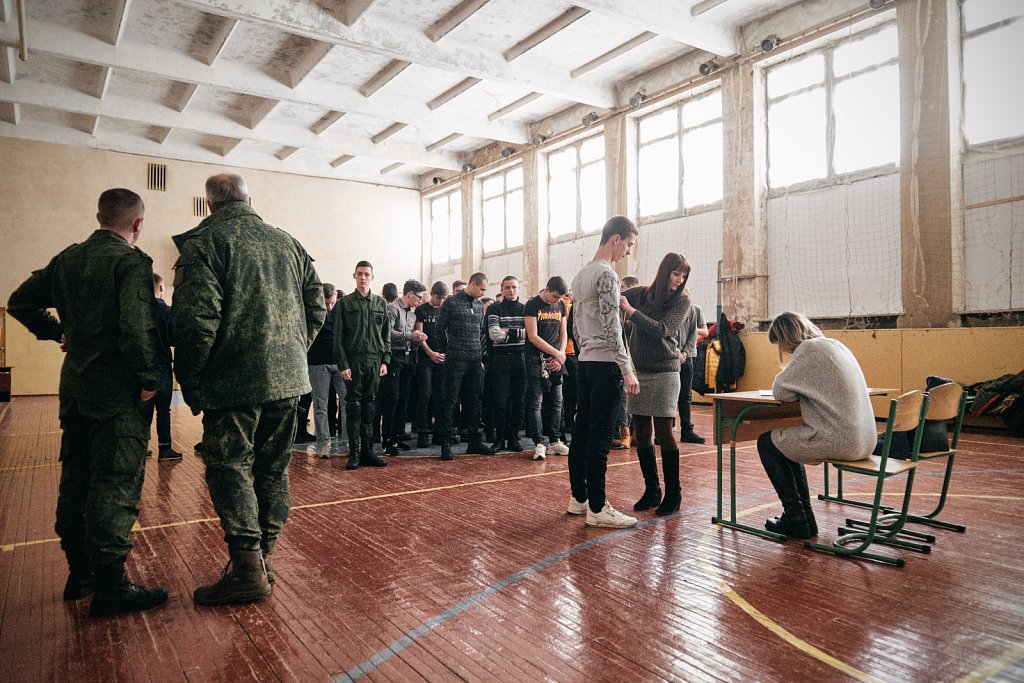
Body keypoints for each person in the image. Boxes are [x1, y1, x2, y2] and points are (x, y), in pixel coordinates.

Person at [7, 188, 168, 617]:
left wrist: (57, 331)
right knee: (115, 483)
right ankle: (112, 585)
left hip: (76, 392)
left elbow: (19, 302)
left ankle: (80, 573)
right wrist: (150, 377)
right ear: (138, 224)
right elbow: (136, 328)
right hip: (117, 395)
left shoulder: (67, 259)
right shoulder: (131, 262)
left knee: (76, 481)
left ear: (99, 217)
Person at [173, 173, 325, 605]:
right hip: (289, 381)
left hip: (233, 382)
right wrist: (291, 352)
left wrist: (192, 382)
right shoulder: (288, 243)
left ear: (210, 203)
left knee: (230, 467)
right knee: (273, 470)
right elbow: (316, 309)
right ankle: (265, 560)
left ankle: (246, 570)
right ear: (248, 199)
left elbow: (196, 323)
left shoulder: (204, 244)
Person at [757, 311, 877, 538]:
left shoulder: (808, 350)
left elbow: (780, 391)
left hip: (842, 440)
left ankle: (796, 515)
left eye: (781, 344)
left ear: (786, 337)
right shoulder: (835, 345)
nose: (783, 350)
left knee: (768, 442)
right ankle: (804, 518)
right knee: (786, 442)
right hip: (865, 440)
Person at [567, 216, 641, 528]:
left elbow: (575, 325)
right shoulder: (607, 276)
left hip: (585, 363)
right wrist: (626, 368)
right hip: (606, 364)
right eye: (629, 244)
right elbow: (612, 327)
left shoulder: (580, 275)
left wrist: (585, 351)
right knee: (600, 438)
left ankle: (579, 498)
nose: (628, 251)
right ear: (615, 239)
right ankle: (598, 507)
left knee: (581, 432)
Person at [621, 253, 693, 516]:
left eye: (683, 276)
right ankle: (652, 490)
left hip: (665, 371)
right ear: (665, 272)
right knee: (641, 431)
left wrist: (631, 312)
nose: (679, 280)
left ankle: (674, 494)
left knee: (664, 432)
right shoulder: (642, 293)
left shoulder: (682, 301)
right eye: (676, 274)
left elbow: (662, 329)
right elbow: (618, 295)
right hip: (639, 371)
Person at [333, 261, 390, 470]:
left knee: (370, 407)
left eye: (367, 274)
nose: (363, 277)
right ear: (354, 276)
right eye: (360, 274)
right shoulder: (344, 304)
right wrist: (343, 364)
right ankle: (354, 453)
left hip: (375, 361)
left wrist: (386, 360)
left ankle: (368, 452)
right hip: (354, 362)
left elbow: (386, 335)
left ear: (372, 277)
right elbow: (338, 338)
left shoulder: (380, 304)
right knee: (354, 407)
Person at [436, 272, 497, 459]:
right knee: (450, 401)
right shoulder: (451, 303)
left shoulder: (479, 306)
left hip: (474, 360)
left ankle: (474, 442)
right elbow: (439, 329)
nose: (483, 293)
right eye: (482, 289)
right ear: (473, 284)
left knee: (474, 401)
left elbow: (480, 332)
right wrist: (448, 351)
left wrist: (479, 355)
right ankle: (446, 444)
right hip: (455, 359)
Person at [524, 277, 570, 461]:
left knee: (557, 401)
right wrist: (557, 354)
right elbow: (533, 336)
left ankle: (554, 440)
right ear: (547, 289)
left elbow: (564, 333)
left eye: (561, 297)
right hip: (536, 358)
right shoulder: (532, 305)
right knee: (536, 402)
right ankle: (539, 443)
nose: (558, 300)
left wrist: (560, 355)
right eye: (555, 296)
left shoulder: (561, 305)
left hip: (557, 358)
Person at [381, 279, 428, 455]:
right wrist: (410, 336)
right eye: (419, 297)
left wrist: (418, 338)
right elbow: (387, 333)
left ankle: (398, 435)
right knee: (392, 400)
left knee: (403, 399)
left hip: (408, 358)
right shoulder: (392, 309)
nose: (420, 301)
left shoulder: (413, 314)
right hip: (394, 357)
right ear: (409, 294)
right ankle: (387, 439)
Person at [486, 276, 526, 452]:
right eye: (507, 287)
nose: (511, 290)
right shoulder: (495, 308)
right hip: (500, 360)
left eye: (514, 287)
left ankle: (513, 439)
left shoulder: (526, 309)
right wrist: (519, 333)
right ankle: (500, 439)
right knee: (500, 401)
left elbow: (531, 334)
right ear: (502, 289)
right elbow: (494, 335)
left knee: (518, 401)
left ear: (518, 289)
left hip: (520, 359)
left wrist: (508, 331)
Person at [307, 283, 347, 458]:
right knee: (320, 405)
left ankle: (348, 442)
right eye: (326, 303)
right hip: (317, 363)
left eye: (332, 303)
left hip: (340, 363)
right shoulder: (311, 311)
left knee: (346, 403)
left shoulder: (341, 311)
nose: (329, 307)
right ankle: (323, 444)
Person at [413, 281, 448, 447]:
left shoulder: (445, 309)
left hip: (441, 357)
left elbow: (449, 333)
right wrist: (430, 353)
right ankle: (422, 431)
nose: (440, 301)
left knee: (441, 396)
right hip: (426, 358)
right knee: (425, 395)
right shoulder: (422, 310)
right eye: (438, 297)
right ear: (432, 294)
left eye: (443, 298)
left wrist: (444, 353)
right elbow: (420, 335)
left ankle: (439, 432)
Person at [152, 273, 182, 461]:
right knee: (163, 410)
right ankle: (165, 448)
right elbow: (174, 338)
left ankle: (139, 448)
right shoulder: (168, 311)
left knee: (141, 409)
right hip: (162, 367)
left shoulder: (137, 310)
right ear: (161, 288)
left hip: (140, 365)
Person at [677, 302, 708, 444]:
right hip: (671, 356)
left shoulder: (694, 309)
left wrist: (684, 353)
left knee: (685, 395)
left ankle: (686, 431)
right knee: (670, 394)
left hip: (687, 356)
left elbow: (696, 334)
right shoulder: (668, 307)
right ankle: (664, 430)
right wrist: (676, 352)